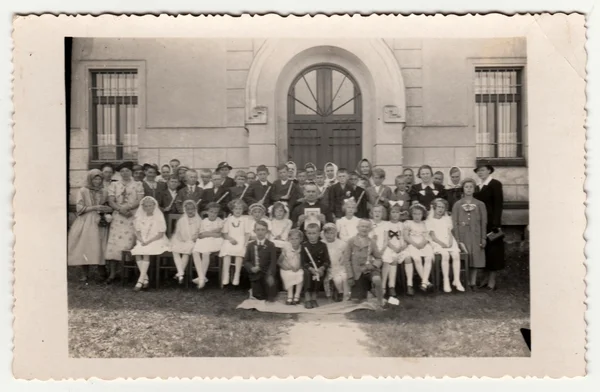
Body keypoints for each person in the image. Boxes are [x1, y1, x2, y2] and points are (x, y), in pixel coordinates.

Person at [67, 169, 112, 282]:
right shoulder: (83, 190)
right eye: (95, 178)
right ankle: (85, 274)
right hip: (86, 220)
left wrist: (106, 210)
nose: (97, 181)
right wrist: (95, 207)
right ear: (90, 179)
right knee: (85, 245)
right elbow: (79, 208)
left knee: (100, 245)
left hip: (100, 220)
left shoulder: (105, 191)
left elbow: (109, 205)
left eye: (99, 178)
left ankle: (102, 272)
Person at [105, 161, 144, 283]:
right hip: (118, 217)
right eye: (122, 171)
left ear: (131, 172)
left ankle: (127, 273)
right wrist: (120, 209)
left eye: (127, 170)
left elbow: (140, 200)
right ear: (119, 173)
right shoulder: (114, 185)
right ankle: (112, 274)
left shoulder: (138, 184)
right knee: (114, 244)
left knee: (128, 244)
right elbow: (111, 200)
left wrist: (128, 209)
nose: (125, 173)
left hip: (132, 216)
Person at [453, 178, 487, 291]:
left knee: (475, 257)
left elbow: (483, 222)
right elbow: (455, 223)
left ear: (474, 189)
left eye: (471, 187)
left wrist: (483, 237)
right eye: (466, 187)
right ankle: (465, 281)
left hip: (476, 235)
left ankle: (473, 282)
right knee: (465, 257)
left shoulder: (480, 204)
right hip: (463, 235)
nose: (468, 189)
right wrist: (457, 239)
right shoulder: (457, 205)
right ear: (463, 188)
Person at [473, 164, 504, 290]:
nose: (480, 173)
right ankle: (485, 279)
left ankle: (492, 281)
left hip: (492, 224)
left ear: (489, 171)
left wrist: (496, 225)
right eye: (478, 171)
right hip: (481, 223)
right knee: (484, 251)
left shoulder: (495, 184)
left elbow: (498, 205)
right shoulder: (478, 186)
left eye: (483, 170)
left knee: (494, 252)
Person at [130, 196, 170, 291]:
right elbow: (138, 232)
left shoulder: (159, 216)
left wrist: (148, 241)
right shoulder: (140, 217)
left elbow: (160, 233)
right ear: (143, 207)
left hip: (156, 240)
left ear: (154, 206)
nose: (148, 208)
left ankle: (140, 280)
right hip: (143, 239)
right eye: (146, 206)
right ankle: (146, 278)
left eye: (150, 206)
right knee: (138, 252)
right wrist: (141, 240)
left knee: (146, 251)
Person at [342, 219, 385, 308]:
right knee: (357, 301)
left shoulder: (371, 242)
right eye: (362, 226)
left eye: (367, 227)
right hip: (357, 272)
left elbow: (379, 258)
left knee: (377, 279)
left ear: (370, 229)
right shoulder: (351, 241)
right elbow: (346, 260)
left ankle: (380, 301)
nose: (364, 229)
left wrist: (373, 265)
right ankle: (368, 292)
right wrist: (350, 276)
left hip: (369, 270)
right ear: (357, 228)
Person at [428, 198, 464, 292]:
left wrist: (451, 242)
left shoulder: (447, 219)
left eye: (443, 207)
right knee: (445, 255)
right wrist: (442, 244)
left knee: (456, 255)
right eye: (439, 207)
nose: (440, 209)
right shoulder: (430, 220)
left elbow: (450, 233)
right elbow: (433, 236)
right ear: (434, 208)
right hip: (437, 242)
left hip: (448, 241)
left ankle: (457, 280)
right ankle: (446, 280)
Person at [383, 203, 414, 296]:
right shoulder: (386, 224)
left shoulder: (402, 224)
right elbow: (386, 240)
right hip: (391, 247)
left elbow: (405, 237)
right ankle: (391, 286)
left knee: (408, 257)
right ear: (389, 214)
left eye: (397, 212)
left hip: (401, 247)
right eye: (393, 212)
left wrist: (403, 246)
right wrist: (394, 248)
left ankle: (409, 284)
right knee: (393, 259)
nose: (395, 214)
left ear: (400, 214)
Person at [192, 202, 224, 289]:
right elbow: (200, 235)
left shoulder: (220, 221)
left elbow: (219, 235)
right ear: (207, 212)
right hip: (203, 240)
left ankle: (201, 279)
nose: (213, 214)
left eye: (215, 212)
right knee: (195, 251)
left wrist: (207, 233)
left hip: (216, 241)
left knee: (205, 253)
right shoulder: (203, 221)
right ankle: (202, 276)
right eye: (211, 211)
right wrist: (212, 232)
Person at [243, 220, 278, 301]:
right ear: (254, 231)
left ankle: (270, 289)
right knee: (258, 296)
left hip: (267, 274)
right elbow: (246, 261)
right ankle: (255, 290)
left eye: (263, 229)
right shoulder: (250, 245)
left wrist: (270, 274)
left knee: (270, 297)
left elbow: (273, 262)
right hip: (255, 274)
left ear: (266, 231)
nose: (260, 232)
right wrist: (251, 268)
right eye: (258, 229)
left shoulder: (271, 245)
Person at [404, 203, 435, 291]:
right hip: (412, 243)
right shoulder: (408, 223)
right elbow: (406, 236)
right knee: (417, 259)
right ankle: (426, 282)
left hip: (423, 243)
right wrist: (414, 244)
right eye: (415, 214)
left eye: (419, 214)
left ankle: (424, 283)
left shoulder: (425, 224)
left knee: (428, 257)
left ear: (422, 214)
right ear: (411, 214)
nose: (417, 216)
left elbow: (427, 236)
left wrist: (422, 243)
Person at [170, 200, 201, 285]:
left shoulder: (198, 220)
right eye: (188, 209)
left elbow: (200, 231)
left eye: (192, 209)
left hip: (192, 240)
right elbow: (178, 232)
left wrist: (195, 237)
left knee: (186, 251)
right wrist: (181, 238)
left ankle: (180, 274)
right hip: (182, 239)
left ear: (195, 209)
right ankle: (181, 274)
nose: (190, 211)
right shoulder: (182, 220)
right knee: (175, 249)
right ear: (185, 210)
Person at [219, 199, 250, 287]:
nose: (238, 211)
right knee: (227, 252)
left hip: (241, 239)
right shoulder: (228, 219)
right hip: (230, 239)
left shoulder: (245, 219)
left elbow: (247, 233)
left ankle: (237, 275)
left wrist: (245, 243)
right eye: (236, 209)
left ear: (243, 210)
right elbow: (224, 234)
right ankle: (226, 275)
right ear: (232, 210)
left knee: (239, 252)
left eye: (240, 209)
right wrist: (230, 239)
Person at [301, 223, 331, 309]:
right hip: (308, 268)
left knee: (319, 276)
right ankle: (307, 299)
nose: (311, 236)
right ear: (306, 234)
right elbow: (303, 261)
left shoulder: (323, 245)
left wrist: (322, 268)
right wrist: (310, 269)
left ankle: (314, 298)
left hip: (319, 268)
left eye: (314, 233)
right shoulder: (304, 245)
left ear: (319, 234)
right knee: (307, 275)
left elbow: (327, 260)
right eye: (309, 233)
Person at [323, 223, 350, 302]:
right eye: (327, 233)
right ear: (324, 234)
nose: (329, 235)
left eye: (331, 233)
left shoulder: (341, 243)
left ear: (335, 233)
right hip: (329, 267)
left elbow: (346, 253)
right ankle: (339, 292)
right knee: (336, 279)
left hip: (340, 265)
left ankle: (345, 294)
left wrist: (343, 258)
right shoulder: (322, 243)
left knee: (344, 277)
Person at [278, 229, 305, 305]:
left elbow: (305, 261)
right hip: (287, 267)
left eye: (297, 238)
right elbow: (279, 261)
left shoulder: (303, 248)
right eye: (292, 239)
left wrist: (299, 267)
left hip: (298, 268)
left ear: (301, 239)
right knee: (289, 274)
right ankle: (290, 295)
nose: (294, 241)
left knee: (301, 274)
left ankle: (297, 295)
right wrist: (286, 267)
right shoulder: (286, 248)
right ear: (289, 239)